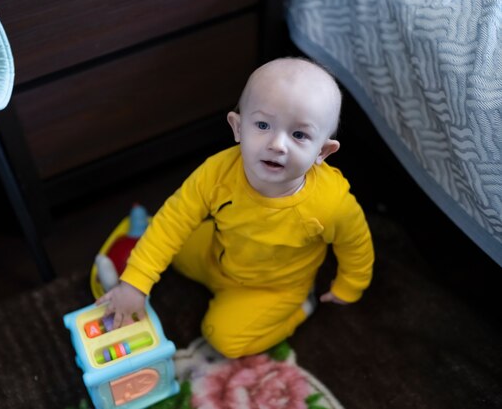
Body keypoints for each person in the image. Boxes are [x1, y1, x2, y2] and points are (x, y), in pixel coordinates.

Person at [97, 57, 374, 358]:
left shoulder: (331, 203)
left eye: (299, 135)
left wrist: (351, 285)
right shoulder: (218, 172)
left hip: (271, 289)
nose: (278, 144)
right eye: (263, 125)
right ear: (238, 127)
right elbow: (175, 218)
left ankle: (300, 309)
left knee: (223, 339)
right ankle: (142, 249)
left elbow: (355, 243)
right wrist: (135, 285)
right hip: (215, 257)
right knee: (164, 242)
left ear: (322, 151)